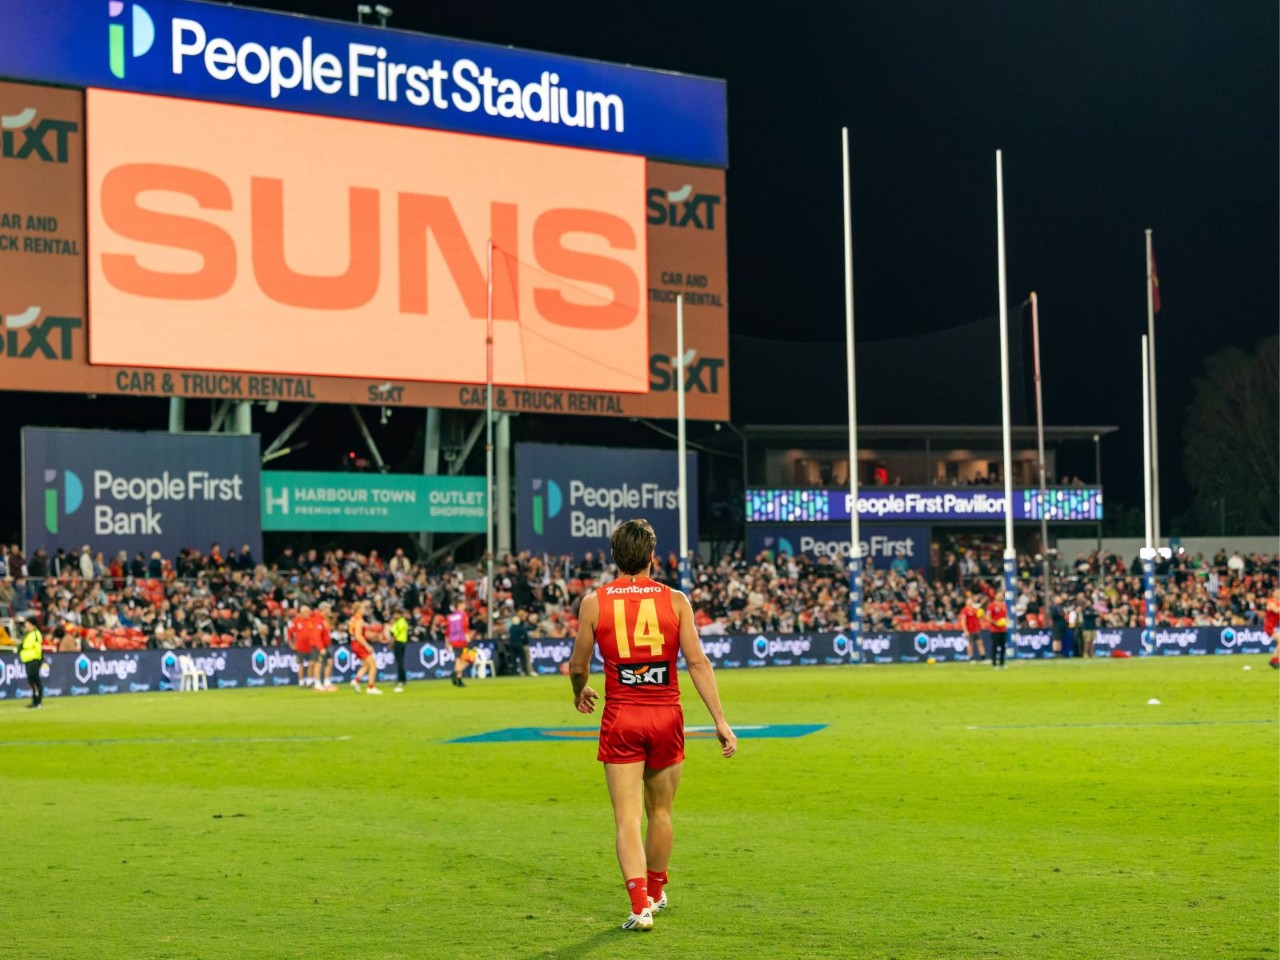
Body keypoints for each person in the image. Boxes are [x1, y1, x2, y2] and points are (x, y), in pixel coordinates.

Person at [569, 518, 736, 933]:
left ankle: (640, 905)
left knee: (627, 820)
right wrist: (720, 720)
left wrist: (580, 689)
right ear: (651, 557)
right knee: (660, 811)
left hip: (622, 715)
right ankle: (658, 890)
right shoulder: (676, 600)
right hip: (666, 714)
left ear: (614, 557)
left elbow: (578, 665)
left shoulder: (595, 602)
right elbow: (698, 662)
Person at [348, 602, 382, 695]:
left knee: (366, 665)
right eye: (363, 608)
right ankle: (371, 687)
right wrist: (367, 645)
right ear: (359, 610)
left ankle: (356, 680)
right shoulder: (359, 620)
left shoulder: (353, 619)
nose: (364, 610)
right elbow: (358, 636)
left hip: (354, 643)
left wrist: (372, 635)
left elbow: (359, 634)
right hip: (359, 644)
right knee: (373, 665)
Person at [18, 612, 44, 709]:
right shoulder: (29, 634)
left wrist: (38, 659)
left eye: (27, 623)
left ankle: (38, 700)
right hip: (28, 659)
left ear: (32, 624)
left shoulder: (35, 634)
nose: (25, 625)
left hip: (33, 659)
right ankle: (35, 700)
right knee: (31, 680)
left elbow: (37, 648)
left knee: (34, 680)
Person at [446, 603, 472, 687]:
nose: (465, 605)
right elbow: (465, 628)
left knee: (458, 660)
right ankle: (455, 673)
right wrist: (468, 639)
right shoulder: (463, 615)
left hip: (453, 640)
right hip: (462, 640)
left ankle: (458, 681)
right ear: (459, 605)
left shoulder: (451, 617)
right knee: (469, 659)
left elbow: (447, 630)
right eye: (463, 604)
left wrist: (446, 642)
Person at [961, 595, 985, 662]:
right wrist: (965, 631)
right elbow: (963, 621)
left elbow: (979, 617)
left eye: (971, 601)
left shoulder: (975, 609)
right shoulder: (964, 610)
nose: (970, 602)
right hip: (969, 630)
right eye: (969, 601)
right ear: (966, 602)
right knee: (970, 644)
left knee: (980, 643)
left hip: (976, 629)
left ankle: (983, 657)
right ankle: (970, 657)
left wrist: (981, 614)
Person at [987, 595, 1009, 669]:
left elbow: (1006, 616)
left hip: (1003, 629)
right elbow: (988, 617)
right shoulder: (991, 606)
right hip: (994, 629)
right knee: (995, 646)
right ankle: (994, 663)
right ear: (996, 597)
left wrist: (1006, 621)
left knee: (1003, 646)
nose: (1001, 596)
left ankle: (1002, 663)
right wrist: (996, 623)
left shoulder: (1004, 605)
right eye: (999, 595)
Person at [390, 611, 410, 692]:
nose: (394, 615)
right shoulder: (400, 622)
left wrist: (391, 644)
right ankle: (402, 679)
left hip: (399, 643)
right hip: (401, 642)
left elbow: (395, 634)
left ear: (399, 614)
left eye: (395, 614)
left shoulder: (400, 623)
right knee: (400, 662)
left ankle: (401, 680)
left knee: (400, 662)